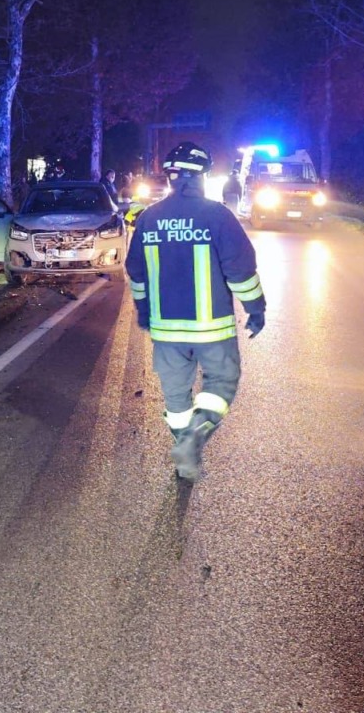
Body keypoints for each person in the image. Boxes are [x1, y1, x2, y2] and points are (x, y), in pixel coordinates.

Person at [125, 141, 267, 482]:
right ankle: (194, 438)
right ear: (202, 176)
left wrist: (143, 312)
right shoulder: (217, 216)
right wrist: (255, 307)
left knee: (176, 397)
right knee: (221, 383)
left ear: (172, 177)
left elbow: (137, 273)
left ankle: (182, 456)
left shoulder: (149, 219)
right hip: (212, 329)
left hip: (166, 332)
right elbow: (241, 270)